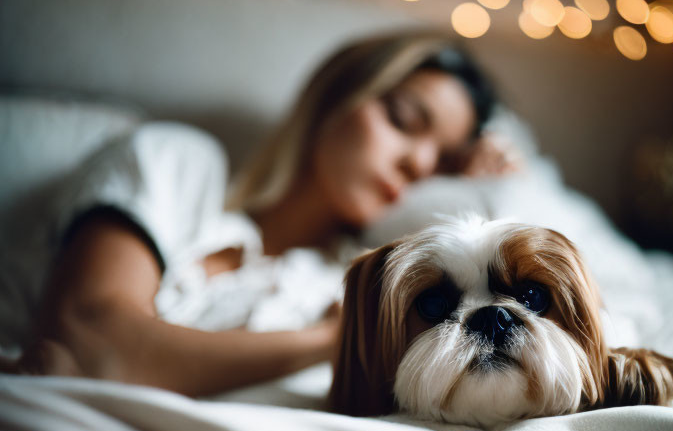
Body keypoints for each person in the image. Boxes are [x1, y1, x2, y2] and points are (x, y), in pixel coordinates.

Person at [1, 30, 516, 396]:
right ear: (335, 97)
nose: (418, 162)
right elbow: (91, 338)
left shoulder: (334, 289)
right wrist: (327, 340)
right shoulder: (178, 164)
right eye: (403, 119)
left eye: (443, 162)